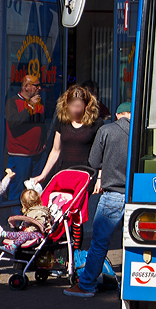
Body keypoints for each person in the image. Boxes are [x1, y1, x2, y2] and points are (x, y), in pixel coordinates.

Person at [65, 101, 130, 297]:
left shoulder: (106, 130)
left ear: (117, 115)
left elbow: (93, 161)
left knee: (99, 243)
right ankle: (131, 285)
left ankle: (86, 285)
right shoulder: (141, 133)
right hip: (136, 196)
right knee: (133, 244)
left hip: (112, 195)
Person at [29, 86, 100, 190]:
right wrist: (43, 175)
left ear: (86, 105)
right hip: (63, 172)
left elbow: (101, 154)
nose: (75, 110)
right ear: (66, 105)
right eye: (72, 106)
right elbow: (55, 150)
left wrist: (99, 178)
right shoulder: (62, 121)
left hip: (85, 175)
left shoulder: (95, 123)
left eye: (79, 106)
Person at [4, 75, 47, 204]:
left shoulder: (39, 102)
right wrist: (30, 106)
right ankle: (15, 216)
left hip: (38, 155)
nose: (39, 88)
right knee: (17, 190)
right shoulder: (12, 102)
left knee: (35, 191)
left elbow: (42, 124)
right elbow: (13, 122)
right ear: (26, 86)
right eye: (36, 85)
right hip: (20, 155)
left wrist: (44, 142)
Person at [0, 187, 54, 256]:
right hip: (30, 234)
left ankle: (12, 247)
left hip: (38, 234)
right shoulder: (30, 211)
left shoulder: (40, 211)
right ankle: (3, 234)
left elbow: (41, 223)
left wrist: (31, 229)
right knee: (20, 233)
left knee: (24, 235)